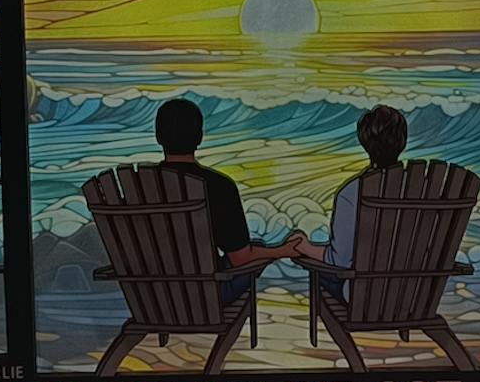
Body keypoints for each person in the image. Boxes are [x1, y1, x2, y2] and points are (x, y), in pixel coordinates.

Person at [155, 98, 294, 302]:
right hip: (206, 297)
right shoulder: (219, 186)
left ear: (158, 137)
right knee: (255, 251)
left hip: (152, 298)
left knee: (255, 247)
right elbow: (241, 260)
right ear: (199, 137)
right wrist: (283, 251)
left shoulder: (138, 187)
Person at [287, 104, 408, 301]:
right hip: (413, 296)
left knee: (319, 276)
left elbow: (340, 260)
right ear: (403, 141)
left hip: (363, 298)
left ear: (365, 142)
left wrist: (304, 247)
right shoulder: (426, 189)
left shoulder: (351, 192)